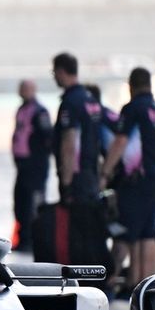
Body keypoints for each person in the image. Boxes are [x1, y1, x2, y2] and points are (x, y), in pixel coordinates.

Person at [100, 68, 155, 295]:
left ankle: (126, 283)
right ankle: (141, 282)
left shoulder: (133, 109)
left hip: (135, 179)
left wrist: (105, 173)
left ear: (131, 85)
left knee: (127, 231)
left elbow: (120, 142)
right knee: (146, 232)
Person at [52, 52, 102, 204]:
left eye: (54, 73)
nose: (54, 77)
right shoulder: (90, 99)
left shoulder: (71, 102)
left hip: (76, 177)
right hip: (92, 173)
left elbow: (69, 143)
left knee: (75, 224)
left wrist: (66, 183)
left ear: (61, 72)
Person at [12, 78, 53, 252]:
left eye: (26, 88)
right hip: (22, 166)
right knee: (20, 201)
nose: (23, 91)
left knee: (32, 203)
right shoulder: (22, 109)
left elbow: (48, 138)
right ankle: (23, 238)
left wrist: (38, 159)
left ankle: (33, 240)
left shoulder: (39, 111)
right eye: (22, 88)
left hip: (35, 166)